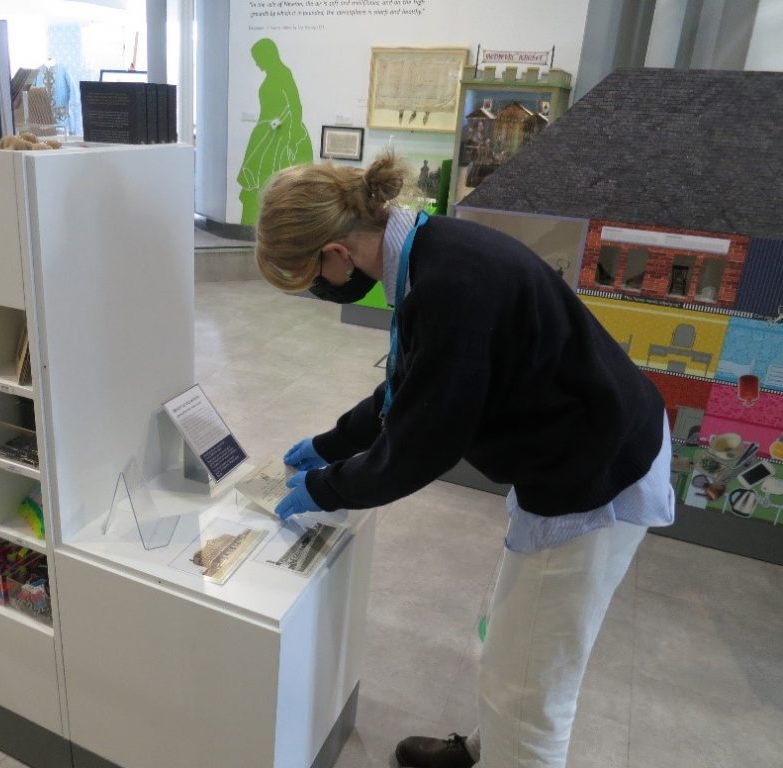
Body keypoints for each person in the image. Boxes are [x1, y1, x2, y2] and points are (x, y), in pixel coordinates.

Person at [254, 153, 674, 768]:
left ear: (337, 255)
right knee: (515, 639)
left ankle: (511, 747)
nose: (317, 289)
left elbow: (420, 446)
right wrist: (334, 442)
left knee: (531, 690)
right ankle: (484, 747)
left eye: (308, 274)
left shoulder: (448, 286)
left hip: (595, 473)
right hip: (584, 443)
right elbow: (409, 385)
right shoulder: (430, 251)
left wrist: (325, 487)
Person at [237, 38, 313, 226]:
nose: (256, 62)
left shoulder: (282, 73)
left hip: (281, 133)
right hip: (267, 132)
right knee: (258, 177)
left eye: (258, 58)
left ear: (267, 55)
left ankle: (274, 221)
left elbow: (295, 104)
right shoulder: (272, 75)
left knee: (272, 176)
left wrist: (293, 134)